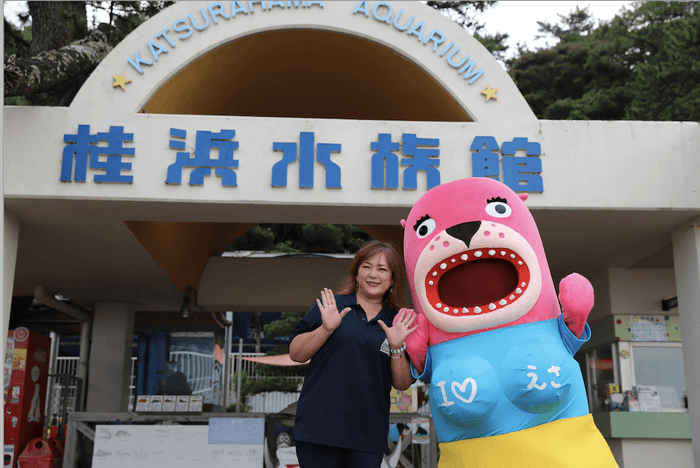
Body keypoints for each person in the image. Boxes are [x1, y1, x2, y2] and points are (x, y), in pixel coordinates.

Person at [289, 240, 417, 468]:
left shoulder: (398, 321)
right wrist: (325, 328)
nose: (373, 274)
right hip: (318, 429)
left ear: (393, 279)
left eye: (382, 269)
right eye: (366, 266)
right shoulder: (331, 306)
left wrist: (397, 346)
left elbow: (402, 383)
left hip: (368, 435)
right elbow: (296, 353)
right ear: (356, 273)